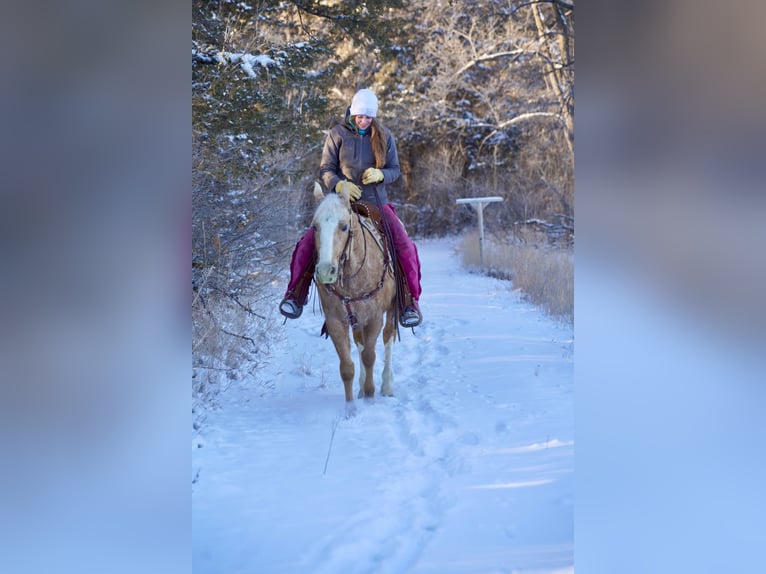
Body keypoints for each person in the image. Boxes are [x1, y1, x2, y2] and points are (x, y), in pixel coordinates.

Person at [279, 88, 423, 328]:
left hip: (376, 201)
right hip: (342, 202)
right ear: (352, 114)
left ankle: (409, 302)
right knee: (308, 242)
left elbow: (395, 170)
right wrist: (339, 185)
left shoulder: (384, 136)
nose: (364, 121)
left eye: (368, 117)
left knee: (404, 245)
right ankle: (295, 295)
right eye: (360, 116)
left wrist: (381, 174)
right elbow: (326, 170)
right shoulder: (337, 134)